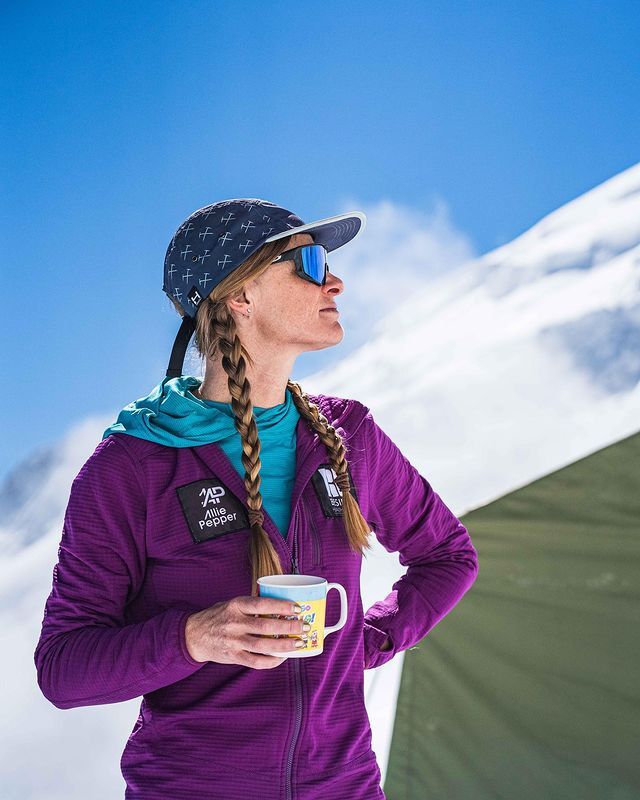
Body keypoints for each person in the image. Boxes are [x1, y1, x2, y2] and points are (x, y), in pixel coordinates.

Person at [33, 198, 479, 799]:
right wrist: (193, 637)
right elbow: (64, 668)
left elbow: (449, 555)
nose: (336, 280)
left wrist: (364, 641)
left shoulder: (349, 436)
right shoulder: (132, 467)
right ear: (239, 295)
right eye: (311, 263)